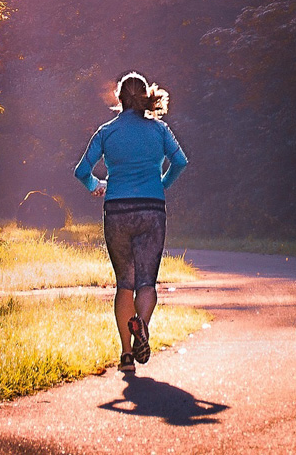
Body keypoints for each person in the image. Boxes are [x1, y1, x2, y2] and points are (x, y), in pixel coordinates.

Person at [74, 72, 189, 374]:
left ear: (119, 98)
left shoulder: (106, 132)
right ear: (145, 97)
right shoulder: (160, 130)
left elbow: (81, 170)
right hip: (152, 209)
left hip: (117, 210)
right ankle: (142, 326)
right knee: (146, 282)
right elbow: (181, 162)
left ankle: (126, 355)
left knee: (125, 283)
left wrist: (96, 184)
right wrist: (162, 182)